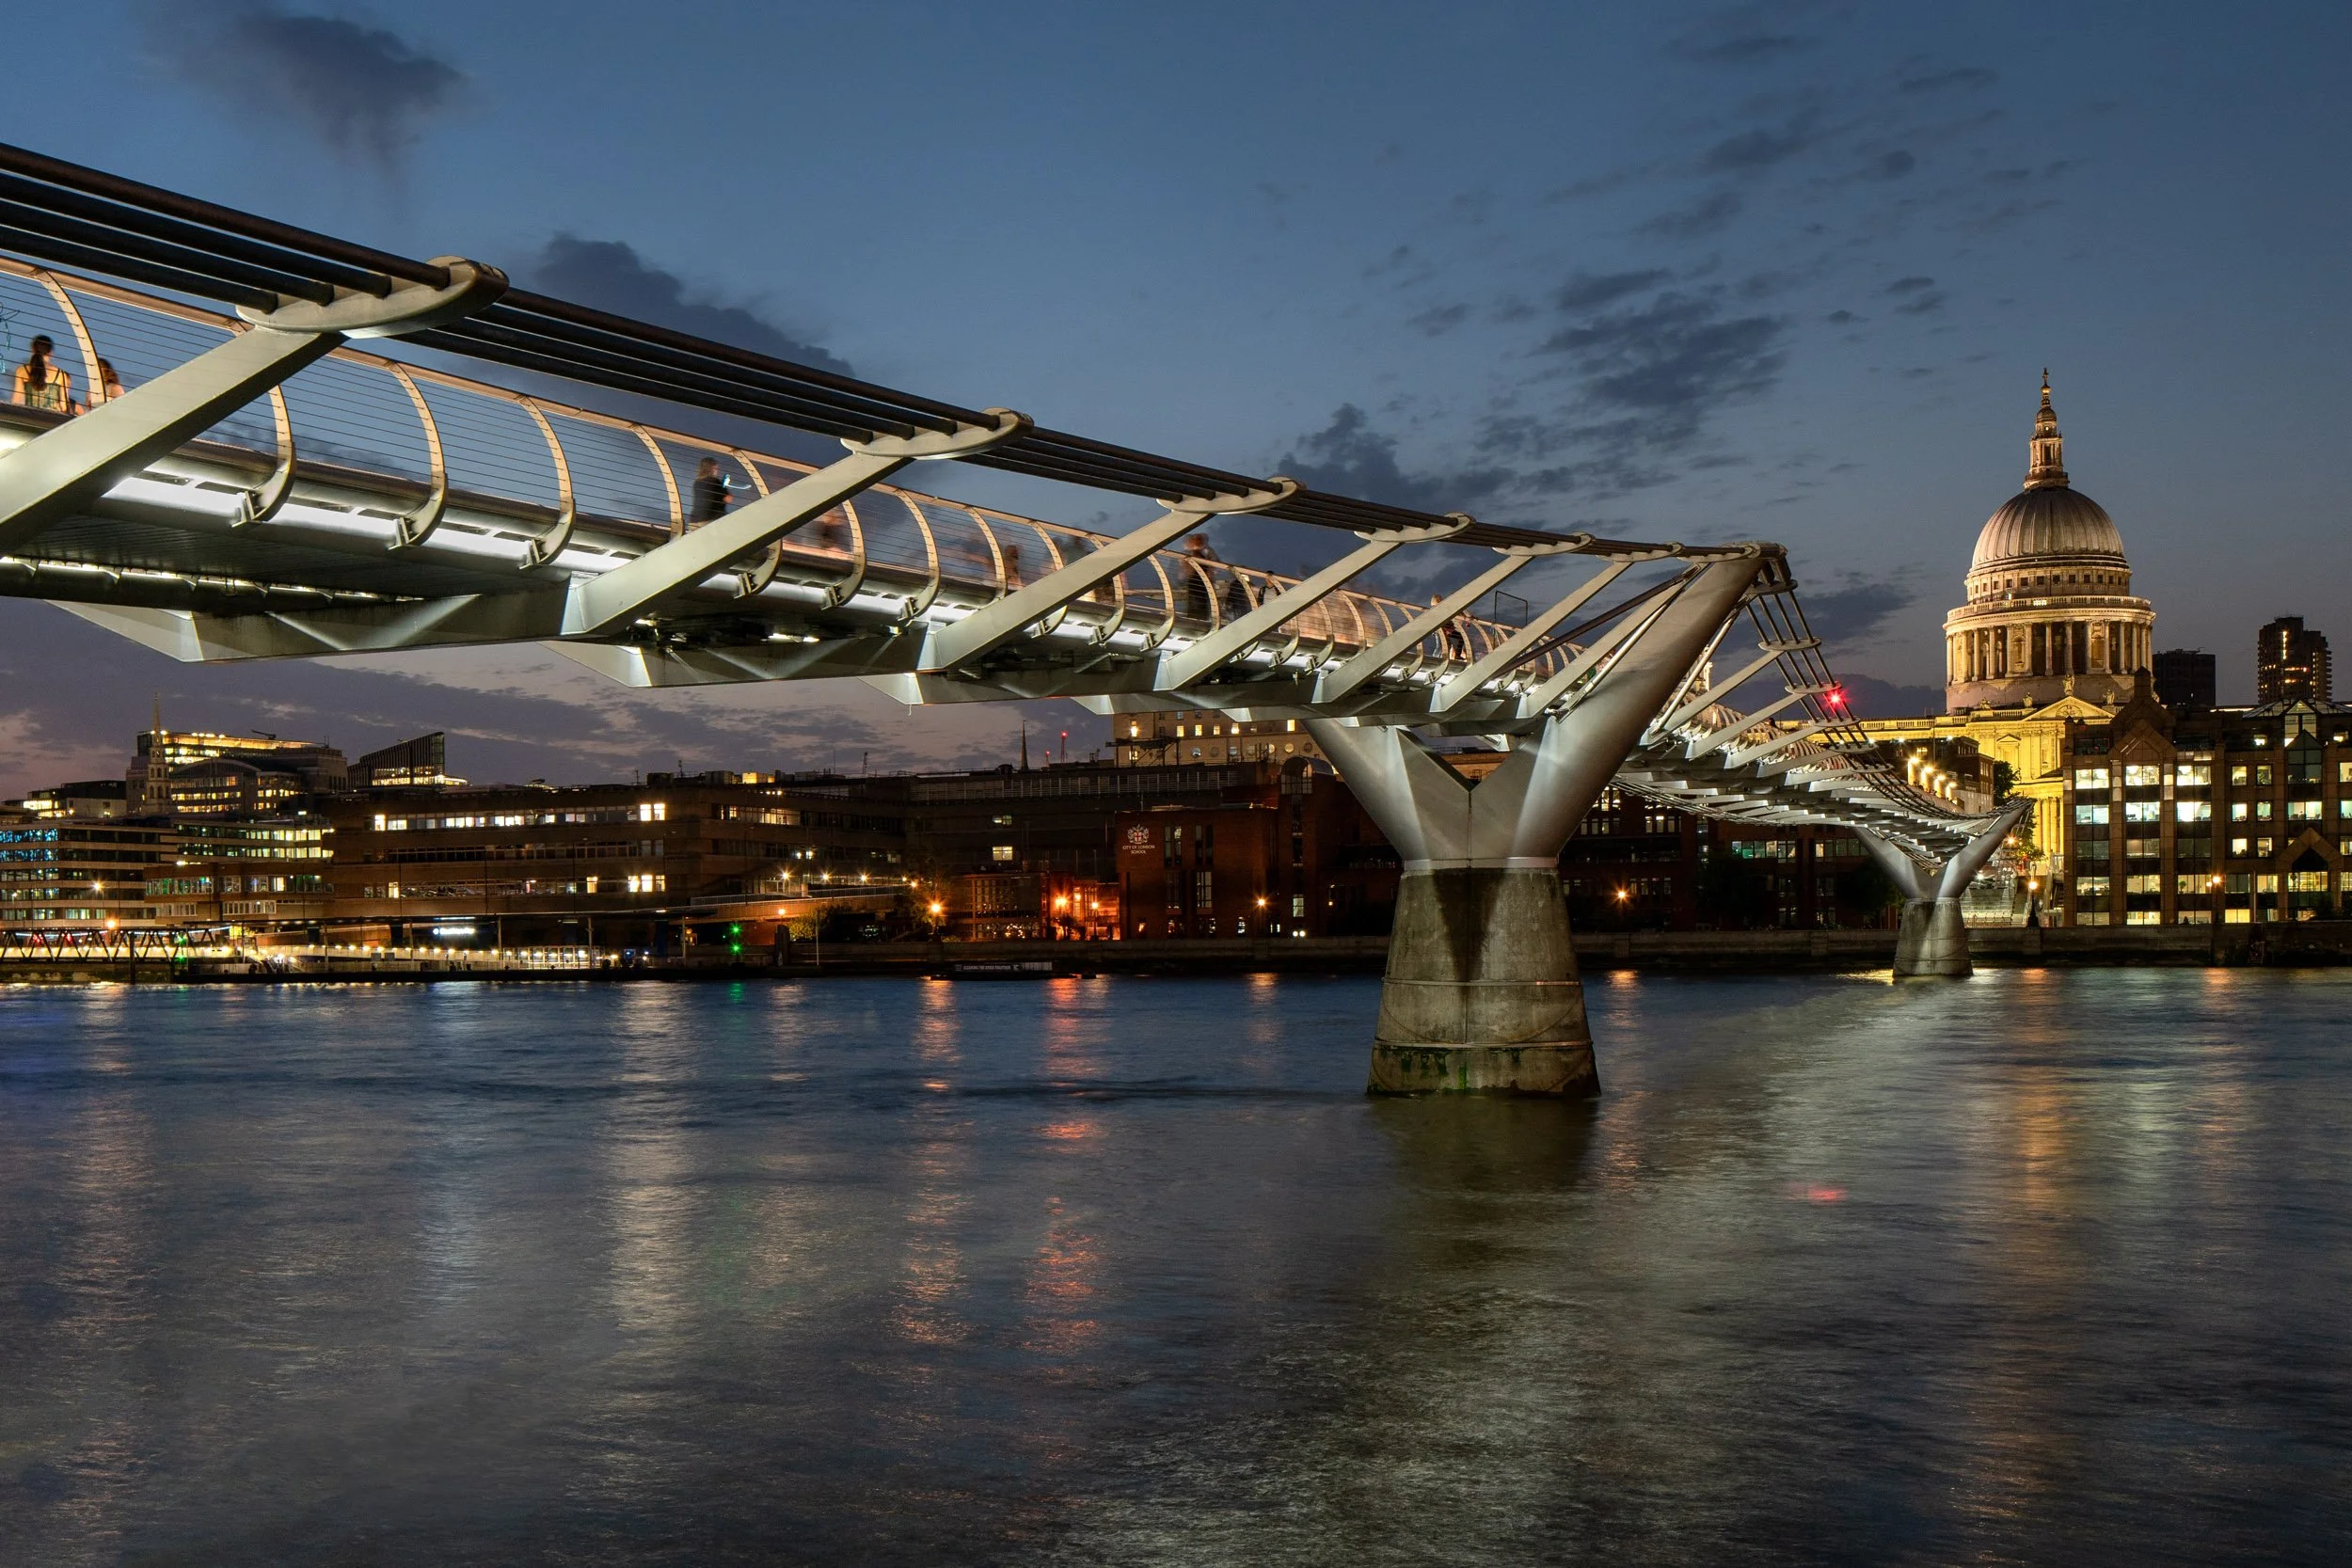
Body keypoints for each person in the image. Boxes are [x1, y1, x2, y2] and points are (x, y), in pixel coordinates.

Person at [11, 336, 73, 414]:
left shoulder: (21, 370)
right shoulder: (61, 374)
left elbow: (17, 400)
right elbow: (64, 405)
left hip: (29, 418)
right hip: (53, 421)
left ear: (33, 350)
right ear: (51, 353)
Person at [1182, 533, 1218, 622]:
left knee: (1200, 600)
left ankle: (1200, 619)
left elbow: (1214, 563)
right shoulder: (1192, 552)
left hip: (1201, 580)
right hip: (1194, 580)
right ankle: (1194, 618)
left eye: (1197, 540)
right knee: (1194, 600)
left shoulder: (1206, 551)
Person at [690, 457, 732, 526]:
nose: (717, 471)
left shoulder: (696, 482)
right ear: (712, 469)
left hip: (693, 521)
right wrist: (724, 486)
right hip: (709, 521)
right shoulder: (715, 481)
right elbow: (728, 499)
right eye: (716, 468)